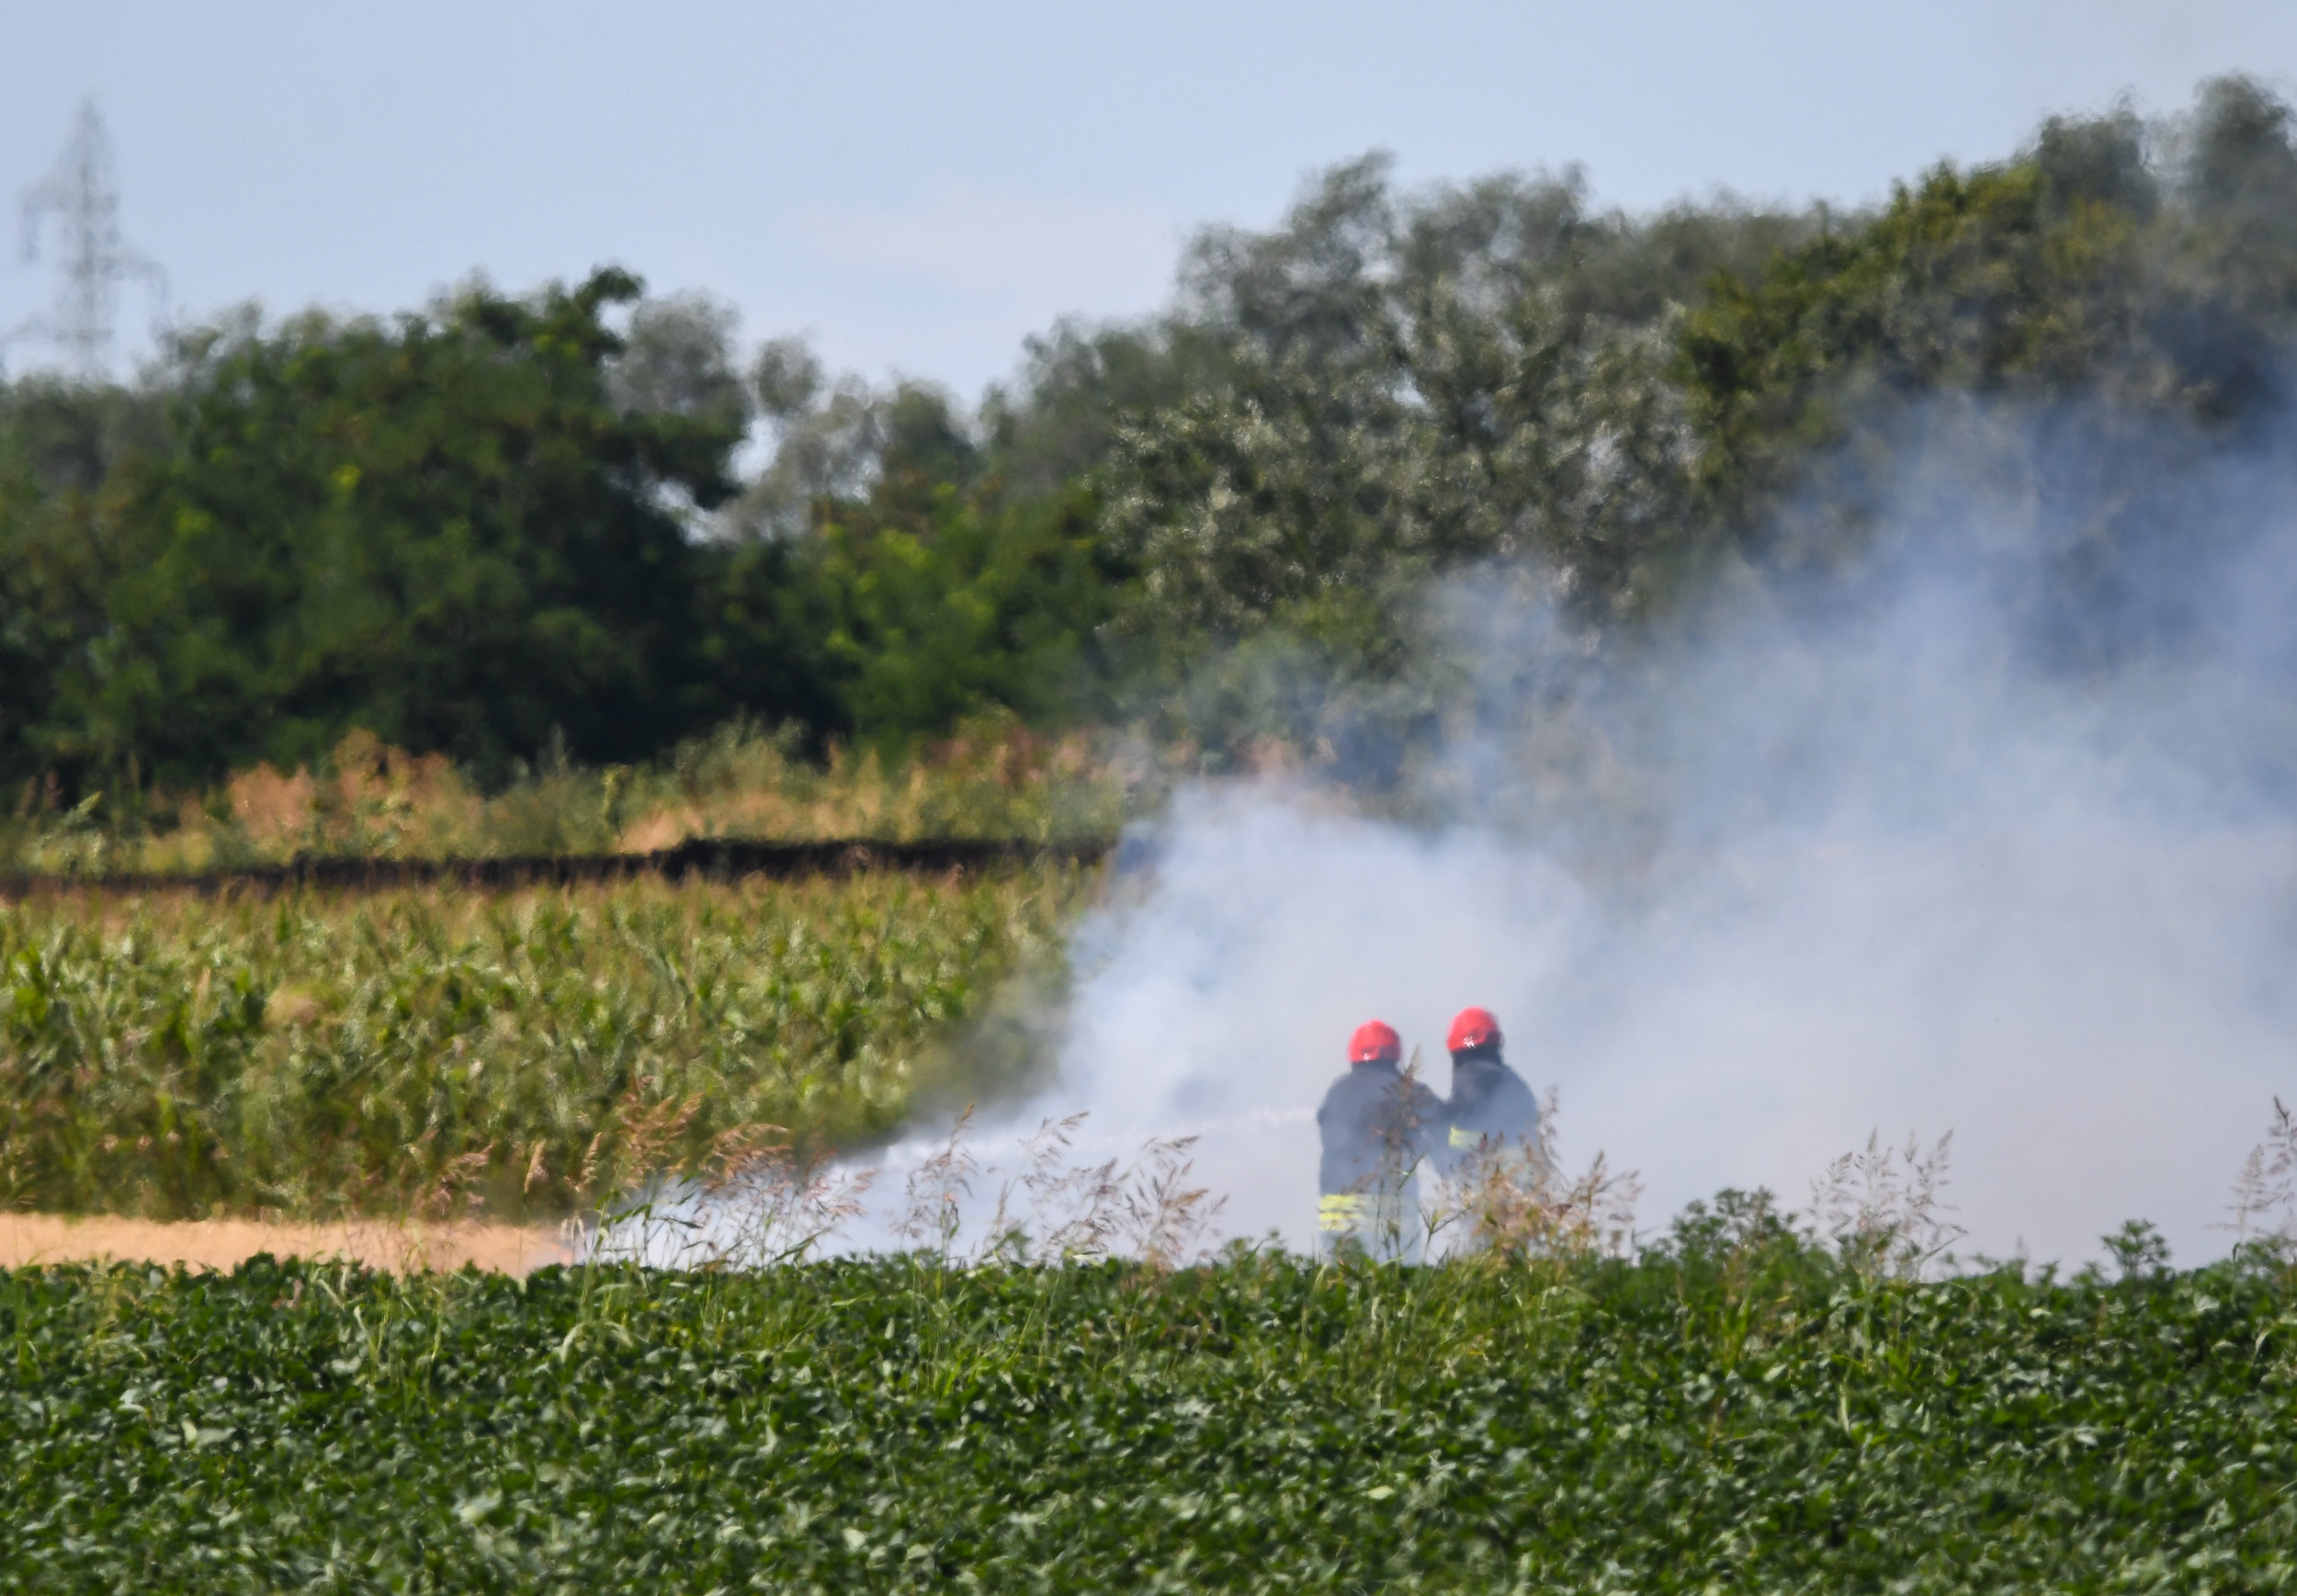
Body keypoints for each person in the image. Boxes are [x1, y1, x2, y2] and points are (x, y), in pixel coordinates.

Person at [1315, 1019, 1443, 1261]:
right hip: (1392, 1215)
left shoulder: (1336, 1092)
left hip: (1339, 1214)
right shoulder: (1408, 1090)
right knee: (1395, 1285)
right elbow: (1444, 1127)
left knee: (1341, 1285)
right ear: (1395, 1054)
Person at [1440, 1006, 1544, 1187]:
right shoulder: (1513, 1081)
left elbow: (1468, 1132)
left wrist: (1441, 1133)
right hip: (1529, 1176)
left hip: (1497, 1179)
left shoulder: (1470, 1076)